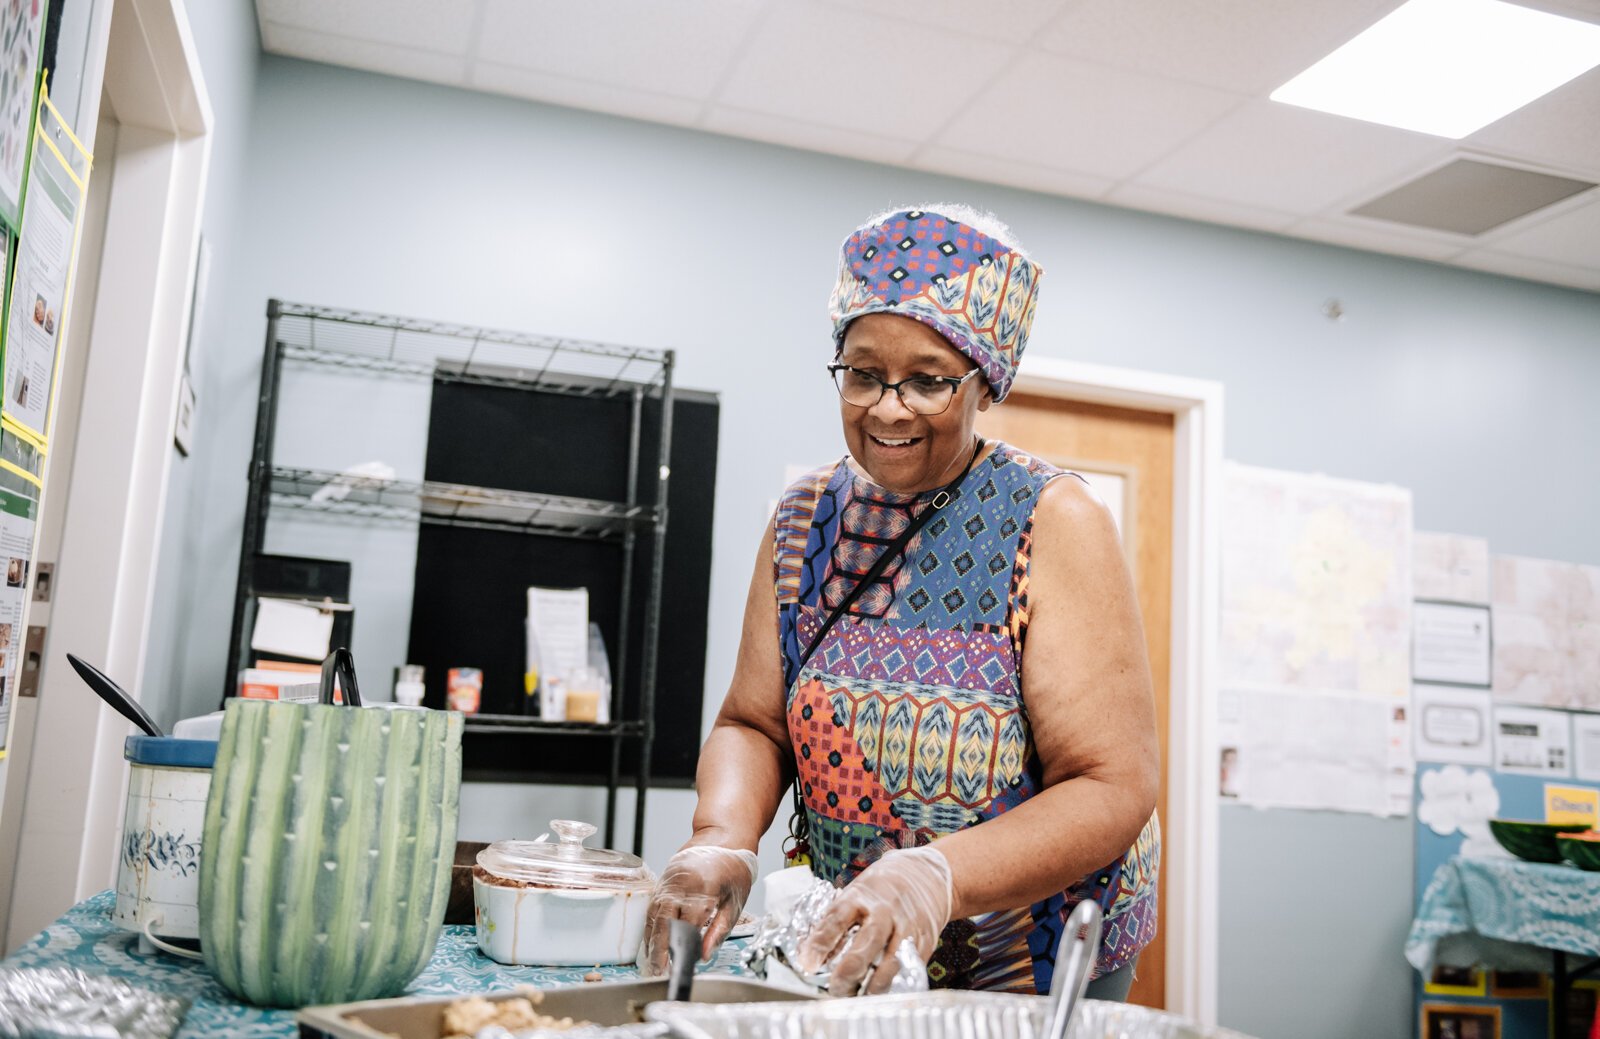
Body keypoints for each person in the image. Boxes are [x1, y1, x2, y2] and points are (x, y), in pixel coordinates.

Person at [645, 204, 1160, 1000]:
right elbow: (753, 722)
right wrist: (722, 839)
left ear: (985, 383)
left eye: (927, 380)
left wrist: (935, 875)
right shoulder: (803, 517)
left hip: (1034, 953)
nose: (888, 406)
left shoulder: (1053, 519)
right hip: (855, 935)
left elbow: (1110, 785)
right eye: (862, 372)